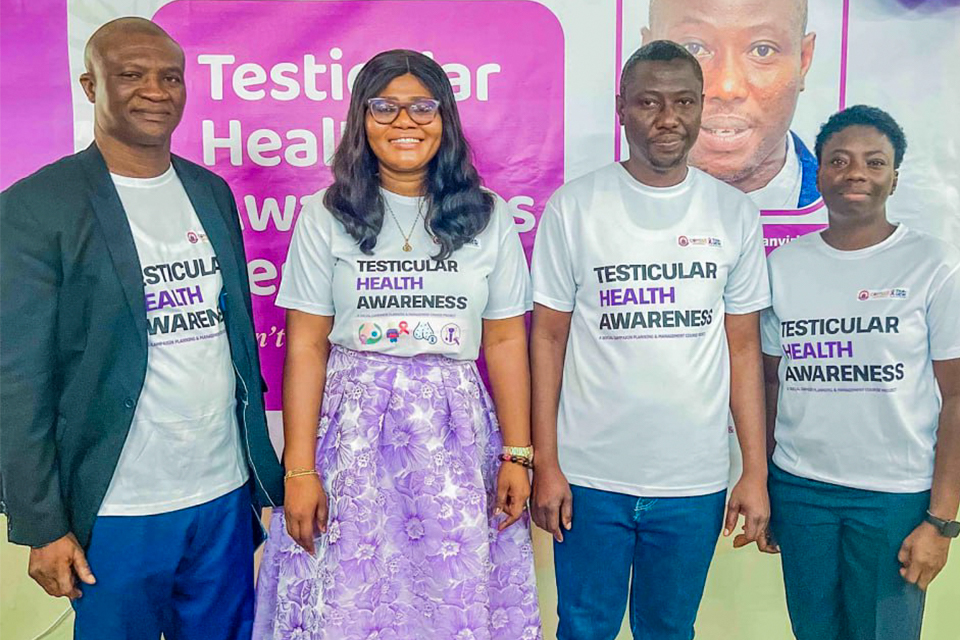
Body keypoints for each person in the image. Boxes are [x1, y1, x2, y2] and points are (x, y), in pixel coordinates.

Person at [0, 17, 283, 640]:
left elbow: (235, 346)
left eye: (170, 77)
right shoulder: (35, 206)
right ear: (89, 84)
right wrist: (41, 523)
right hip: (117, 508)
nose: (156, 90)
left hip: (223, 494)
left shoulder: (211, 193)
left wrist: (265, 478)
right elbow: (16, 379)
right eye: (130, 74)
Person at [252, 49, 541, 640]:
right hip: (352, 429)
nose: (403, 121)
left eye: (421, 107)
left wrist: (517, 454)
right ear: (361, 118)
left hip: (453, 432)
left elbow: (508, 339)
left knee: (450, 588)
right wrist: (299, 470)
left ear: (446, 119)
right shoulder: (324, 214)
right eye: (384, 107)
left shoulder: (488, 217)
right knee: (345, 595)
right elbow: (306, 346)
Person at [530, 40, 772, 640]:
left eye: (684, 102)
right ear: (621, 108)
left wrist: (755, 473)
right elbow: (548, 342)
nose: (668, 119)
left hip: (693, 480)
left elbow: (743, 349)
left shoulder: (732, 214)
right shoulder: (575, 208)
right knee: (584, 628)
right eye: (649, 102)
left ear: (700, 109)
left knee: (669, 630)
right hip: (590, 477)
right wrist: (547, 464)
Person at [759, 105, 960, 640]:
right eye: (839, 160)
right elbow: (770, 382)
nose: (855, 173)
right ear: (819, 172)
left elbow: (957, 398)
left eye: (874, 162)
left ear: (894, 177)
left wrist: (941, 521)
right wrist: (765, 481)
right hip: (801, 492)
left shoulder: (933, 265)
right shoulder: (784, 266)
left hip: (894, 497)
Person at [644, 0, 819, 210]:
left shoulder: (856, 216)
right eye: (693, 48)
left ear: (803, 60)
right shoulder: (600, 212)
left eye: (762, 50)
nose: (727, 88)